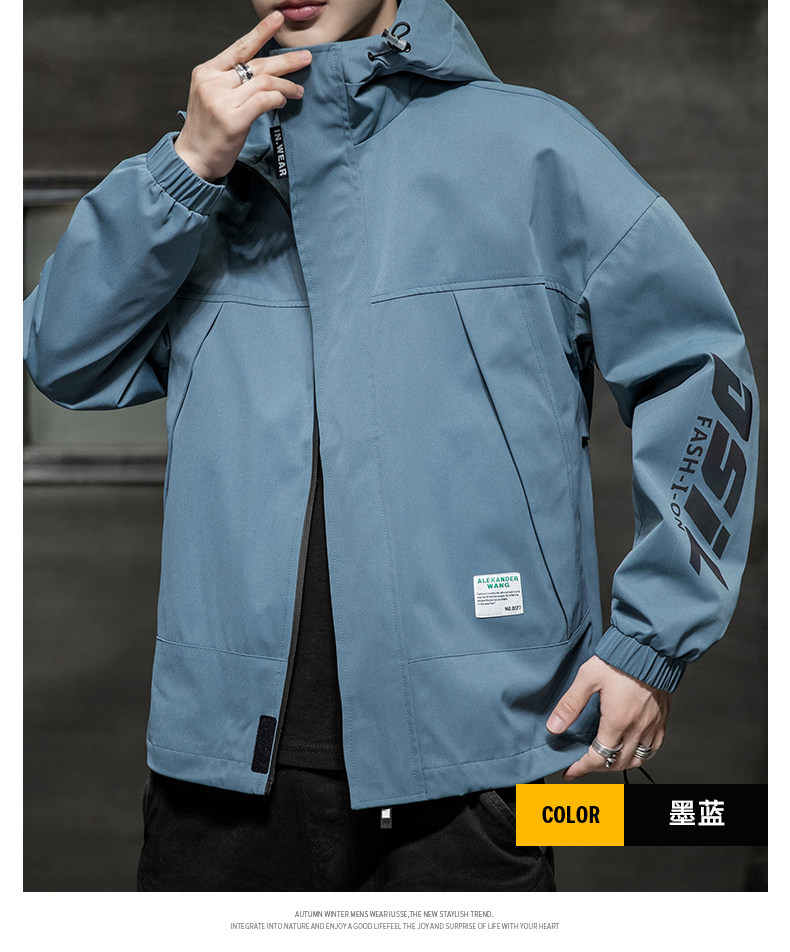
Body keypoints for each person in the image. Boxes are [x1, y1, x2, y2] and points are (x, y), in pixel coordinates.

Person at [24, 0, 758, 891]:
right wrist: (186, 170)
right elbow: (63, 357)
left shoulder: (535, 151)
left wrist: (653, 639)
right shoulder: (205, 174)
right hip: (215, 788)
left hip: (470, 781)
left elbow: (701, 369)